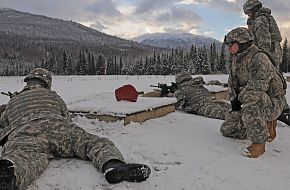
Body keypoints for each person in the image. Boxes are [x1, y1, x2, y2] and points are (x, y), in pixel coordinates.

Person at [0, 68, 151, 190]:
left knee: (23, 157)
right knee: (94, 143)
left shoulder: (13, 102)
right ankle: (113, 164)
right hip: (57, 126)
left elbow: (3, 124)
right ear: (46, 82)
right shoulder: (53, 96)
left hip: (24, 130)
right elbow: (66, 117)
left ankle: (11, 173)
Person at [221, 27, 287, 158]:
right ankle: (262, 126)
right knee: (227, 130)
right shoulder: (237, 58)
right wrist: (234, 101)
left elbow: (257, 87)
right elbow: (232, 83)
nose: (229, 48)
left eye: (231, 44)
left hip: (271, 102)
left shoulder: (259, 58)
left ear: (242, 42)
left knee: (251, 98)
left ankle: (258, 143)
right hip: (247, 99)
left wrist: (240, 99)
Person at [243, 0, 282, 69]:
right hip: (274, 51)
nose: (248, 15)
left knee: (266, 76)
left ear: (253, 8)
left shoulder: (260, 20)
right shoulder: (265, 17)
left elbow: (264, 42)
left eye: (248, 12)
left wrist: (262, 58)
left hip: (268, 53)